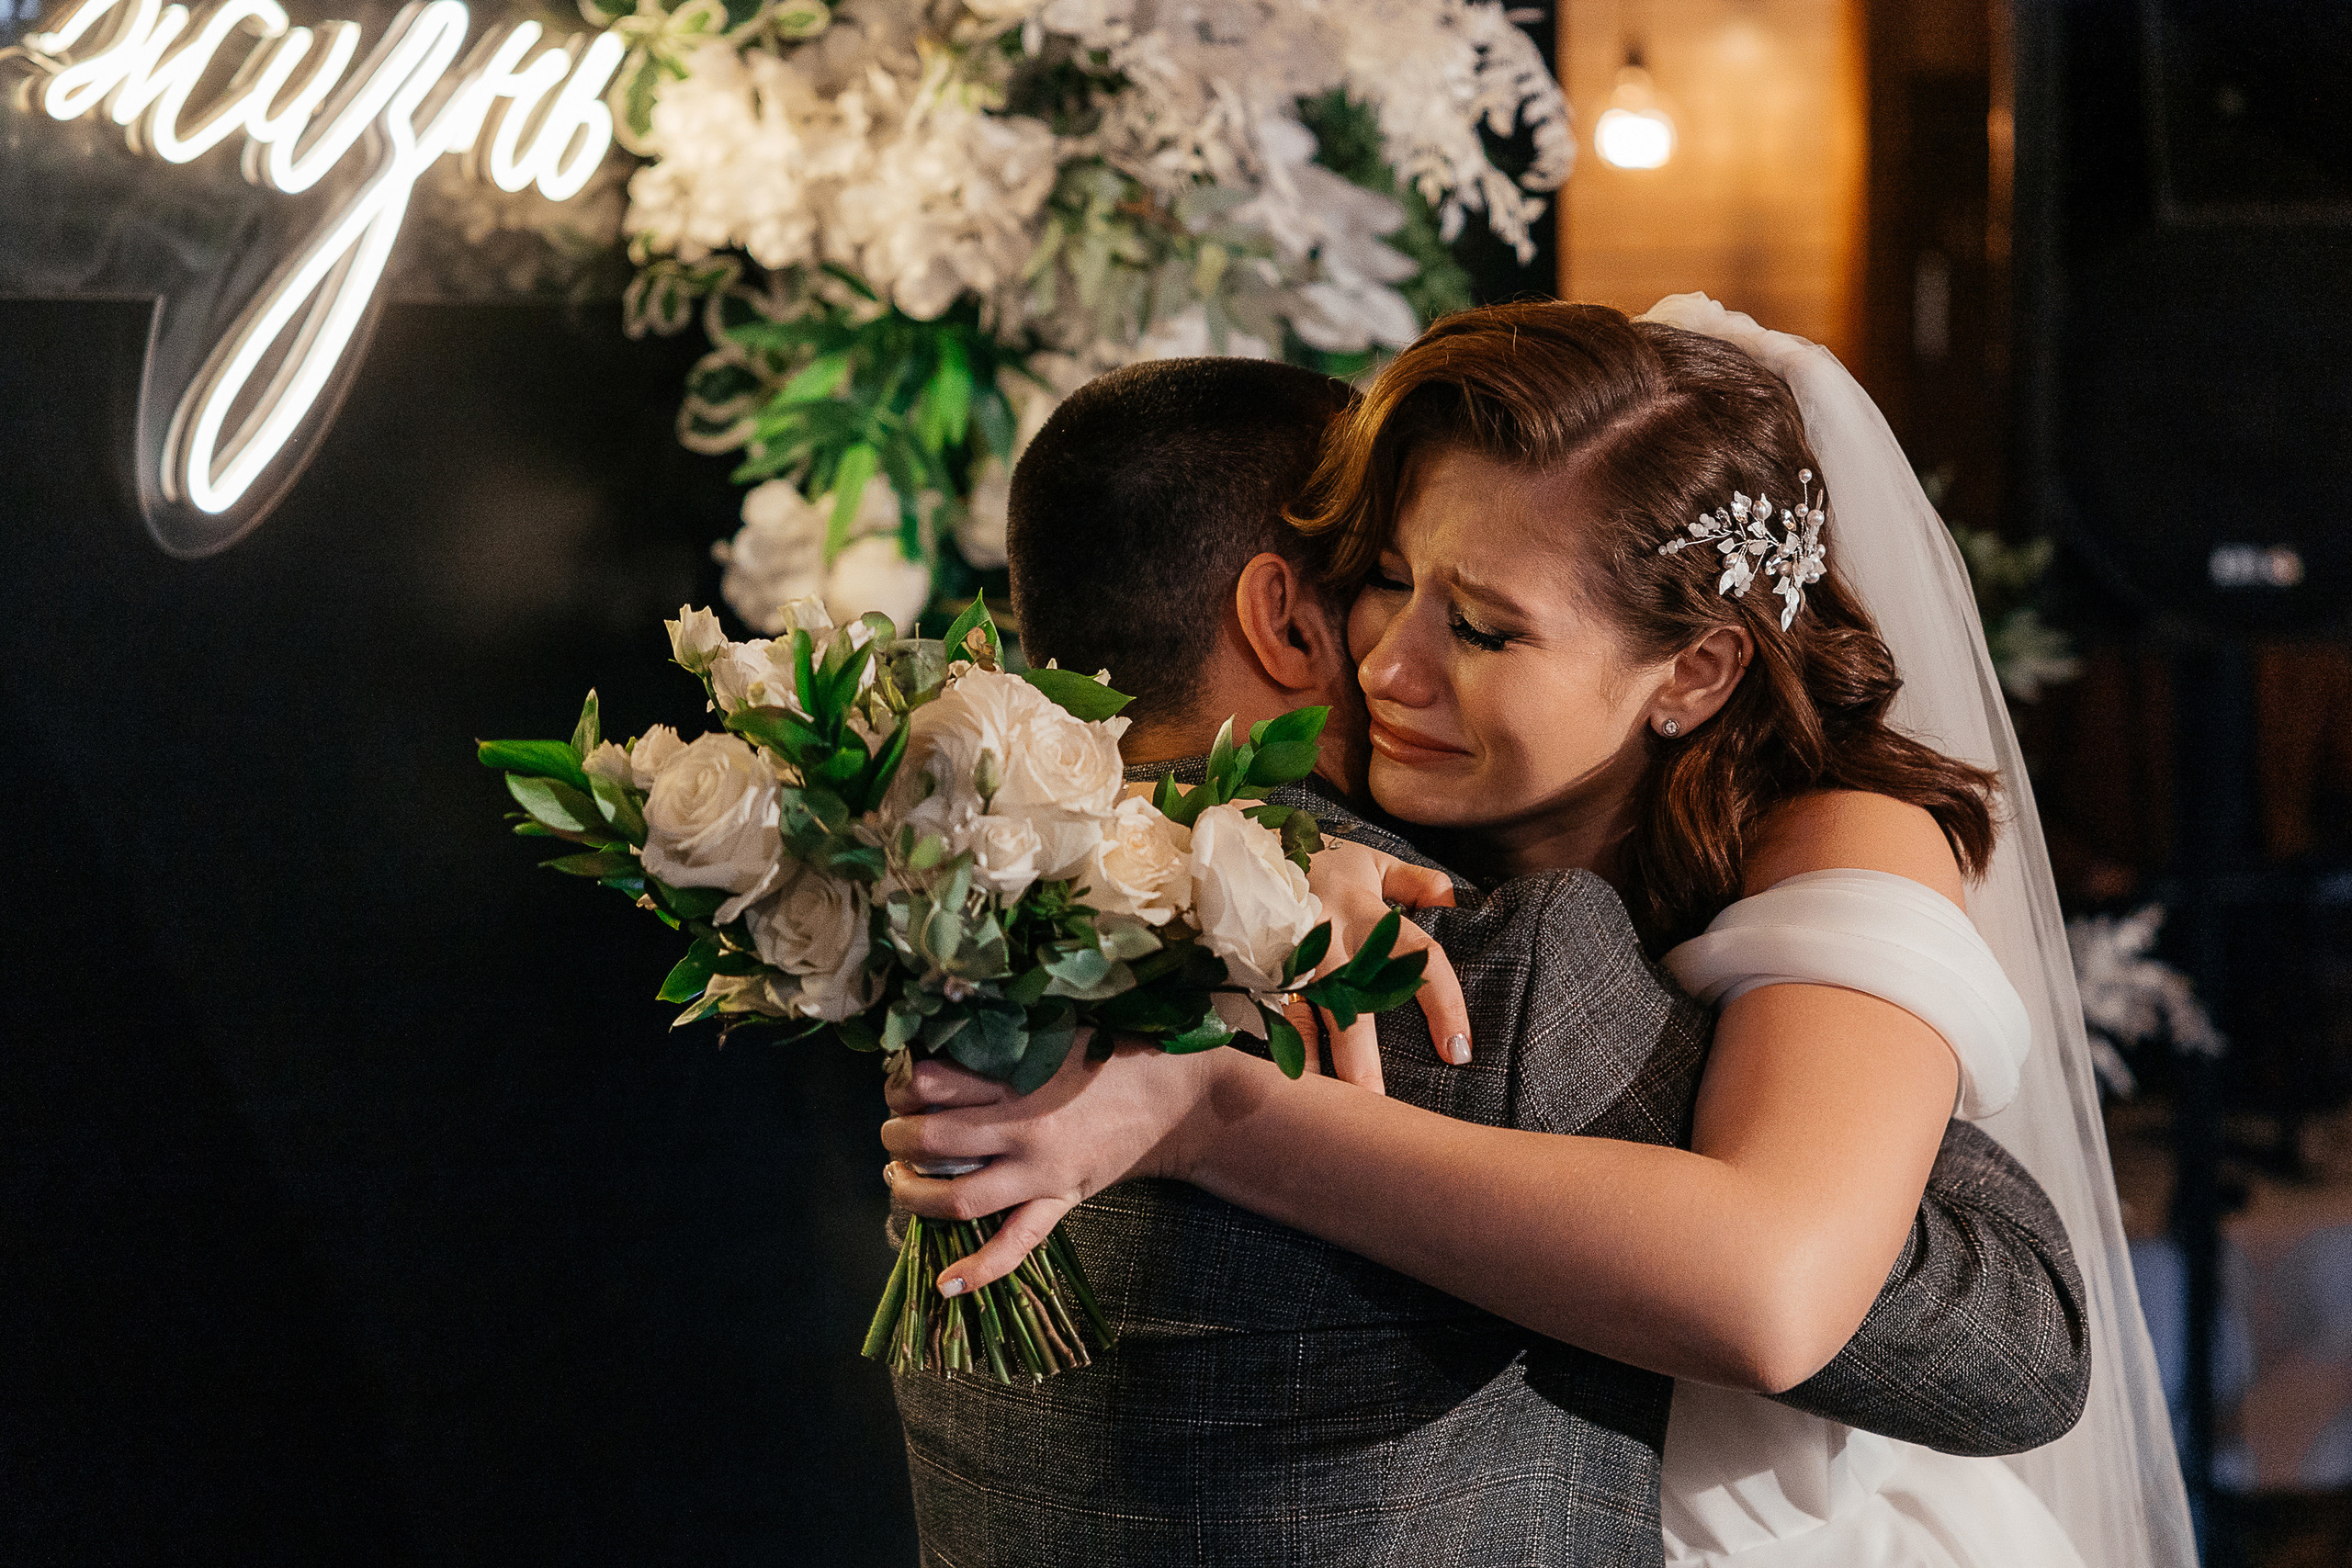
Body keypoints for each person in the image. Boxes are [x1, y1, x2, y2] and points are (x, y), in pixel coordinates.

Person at [884, 352, 2098, 1567]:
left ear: (1694, 671)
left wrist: (1213, 1106)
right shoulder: (1411, 910)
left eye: (1480, 627)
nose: (1386, 665)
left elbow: (1921, 1314)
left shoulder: (950, 927)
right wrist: (1265, 847)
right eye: (1385, 578)